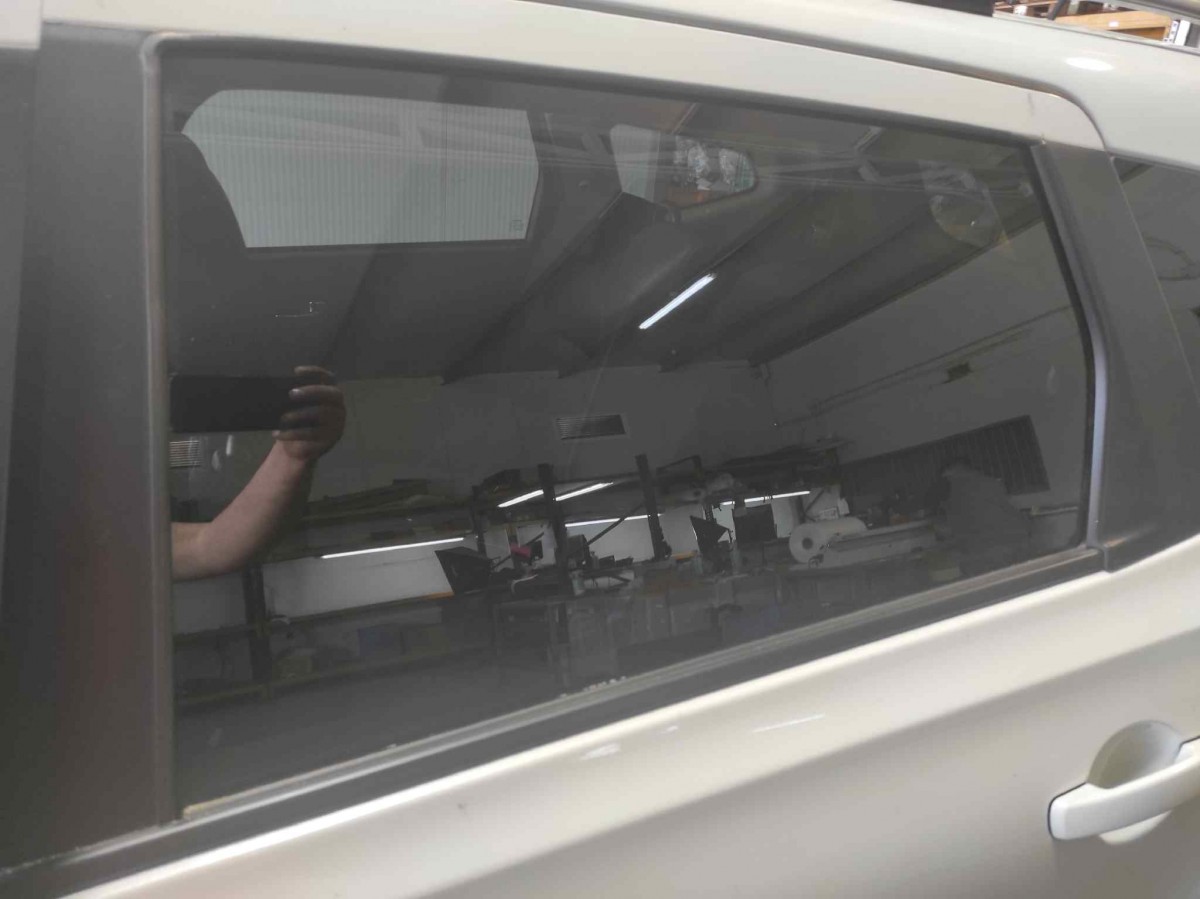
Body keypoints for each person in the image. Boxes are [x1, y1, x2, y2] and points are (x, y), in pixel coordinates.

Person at [171, 366, 346, 580]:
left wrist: (293, 455)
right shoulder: (136, 539)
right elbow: (206, 548)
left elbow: (207, 546)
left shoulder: (141, 539)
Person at [927, 458, 1030, 577]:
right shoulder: (991, 483)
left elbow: (950, 530)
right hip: (1018, 543)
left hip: (987, 553)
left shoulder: (953, 491)